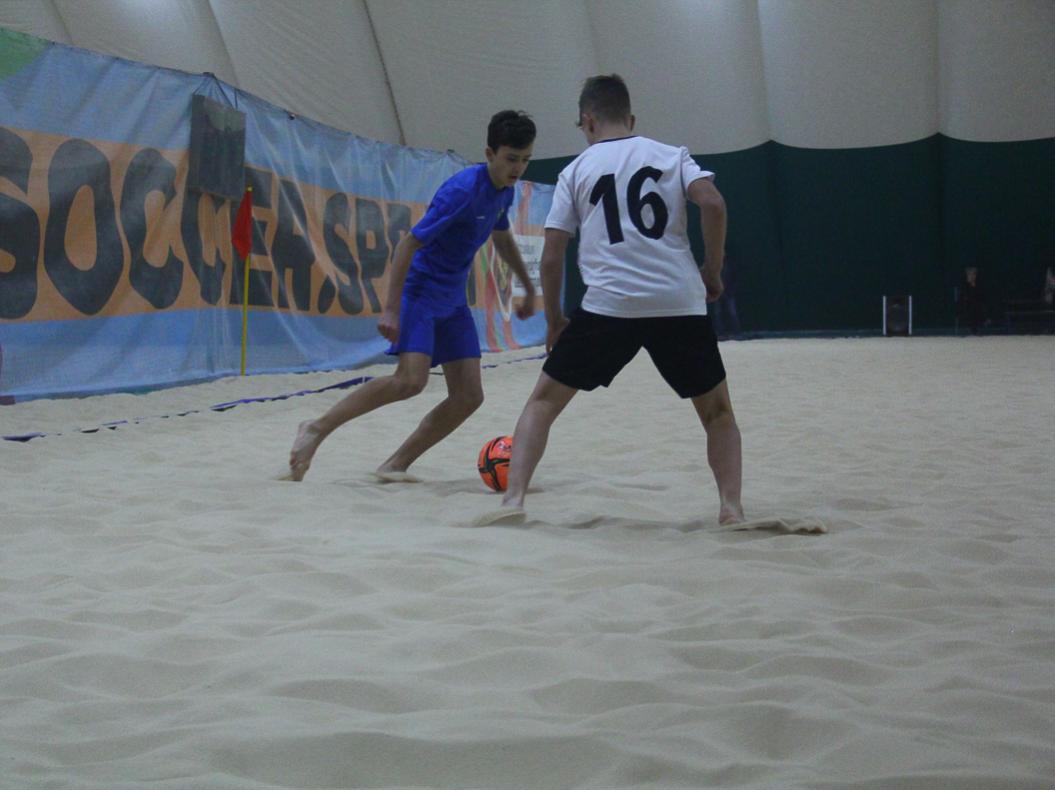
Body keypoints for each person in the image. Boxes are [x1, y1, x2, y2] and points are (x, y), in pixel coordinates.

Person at [478, 74, 743, 527]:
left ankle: (513, 500)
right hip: (677, 301)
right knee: (717, 412)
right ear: (631, 119)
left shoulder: (576, 170)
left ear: (587, 121)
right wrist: (711, 271)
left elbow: (553, 252)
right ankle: (731, 509)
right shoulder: (672, 155)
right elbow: (713, 204)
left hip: (609, 306)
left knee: (543, 403)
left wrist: (555, 321)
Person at [282, 111, 538, 481]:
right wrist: (391, 310)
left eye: (525, 159)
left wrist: (527, 286)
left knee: (469, 397)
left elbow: (501, 238)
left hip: (452, 299)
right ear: (489, 153)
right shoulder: (462, 192)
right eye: (511, 159)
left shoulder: (504, 191)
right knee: (409, 382)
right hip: (421, 293)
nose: (518, 168)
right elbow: (407, 244)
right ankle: (316, 428)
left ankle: (395, 465)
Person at [956, 265, 988, 333]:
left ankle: (981, 323)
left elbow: (980, 294)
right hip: (966, 304)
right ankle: (972, 326)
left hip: (976, 303)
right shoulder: (963, 283)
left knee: (978, 306)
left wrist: (973, 285)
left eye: (974, 274)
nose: (972, 276)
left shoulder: (978, 283)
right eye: (970, 274)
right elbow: (963, 295)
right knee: (971, 308)